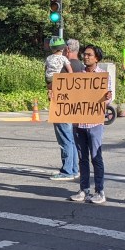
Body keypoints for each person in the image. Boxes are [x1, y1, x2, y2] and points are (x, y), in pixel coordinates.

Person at [68, 44, 113, 204]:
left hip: (94, 123)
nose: (85, 57)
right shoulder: (77, 76)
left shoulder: (103, 76)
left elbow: (109, 98)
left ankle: (99, 191)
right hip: (78, 123)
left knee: (96, 157)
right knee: (82, 158)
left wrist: (107, 96)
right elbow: (69, 95)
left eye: (89, 55)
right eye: (84, 55)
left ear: (97, 58)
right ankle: (84, 189)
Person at [48, 38, 77, 181]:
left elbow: (45, 74)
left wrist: (51, 89)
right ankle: (74, 168)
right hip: (71, 106)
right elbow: (72, 75)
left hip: (61, 105)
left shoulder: (49, 60)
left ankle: (67, 171)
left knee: (65, 138)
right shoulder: (76, 65)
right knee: (71, 139)